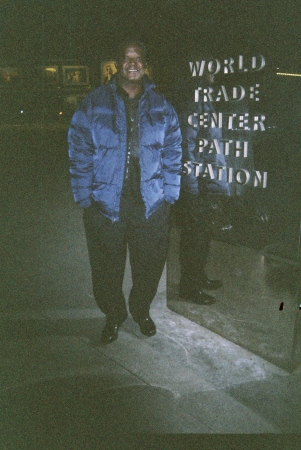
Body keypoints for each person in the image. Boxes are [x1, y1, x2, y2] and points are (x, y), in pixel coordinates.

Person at [68, 40, 182, 344]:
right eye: (126, 58)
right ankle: (114, 315)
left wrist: (170, 193)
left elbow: (173, 150)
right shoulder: (93, 103)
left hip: (151, 203)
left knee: (149, 264)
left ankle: (141, 310)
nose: (133, 63)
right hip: (105, 203)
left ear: (145, 64)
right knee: (106, 267)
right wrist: (83, 195)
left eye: (138, 58)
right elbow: (79, 150)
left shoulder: (161, 105)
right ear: (117, 63)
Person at [176, 72, 230, 305]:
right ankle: (189, 286)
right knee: (194, 237)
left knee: (203, 234)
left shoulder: (204, 99)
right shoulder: (193, 100)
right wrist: (191, 188)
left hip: (206, 181)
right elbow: (187, 146)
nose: (214, 75)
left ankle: (198, 277)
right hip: (198, 184)